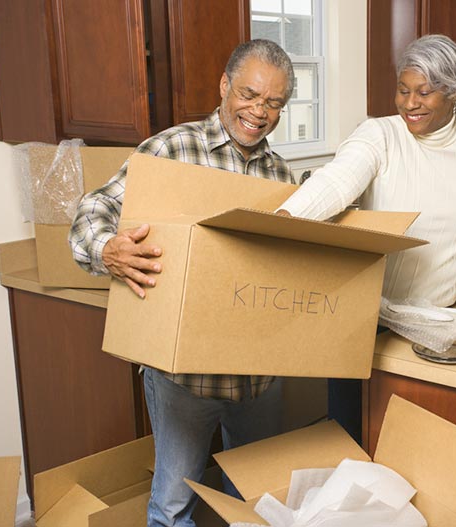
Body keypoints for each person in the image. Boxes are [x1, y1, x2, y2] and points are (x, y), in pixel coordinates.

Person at [69, 39, 295, 527]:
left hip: (259, 375)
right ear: (224, 86)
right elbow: (95, 208)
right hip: (184, 378)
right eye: (250, 94)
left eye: (274, 102)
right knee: (173, 505)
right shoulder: (173, 148)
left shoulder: (280, 172)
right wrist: (107, 249)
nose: (259, 111)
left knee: (256, 504)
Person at [277, 34, 456, 441]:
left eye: (424, 92)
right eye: (402, 89)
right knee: (352, 442)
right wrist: (279, 222)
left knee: (417, 446)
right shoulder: (380, 135)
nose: (410, 103)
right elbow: (335, 183)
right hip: (368, 323)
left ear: (454, 93)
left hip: (438, 325)